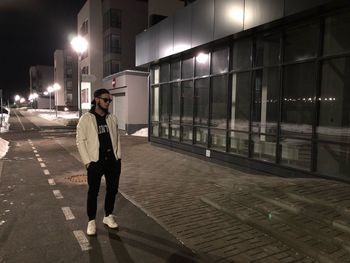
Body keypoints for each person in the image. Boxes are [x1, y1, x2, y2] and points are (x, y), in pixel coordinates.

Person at [76, 88, 121, 236]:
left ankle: (108, 216)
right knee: (93, 192)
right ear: (96, 100)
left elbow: (117, 139)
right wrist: (88, 162)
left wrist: (118, 156)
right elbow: (80, 141)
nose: (108, 103)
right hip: (96, 162)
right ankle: (91, 221)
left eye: (110, 100)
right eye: (105, 99)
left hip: (113, 162)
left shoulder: (112, 118)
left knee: (112, 190)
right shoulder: (86, 119)